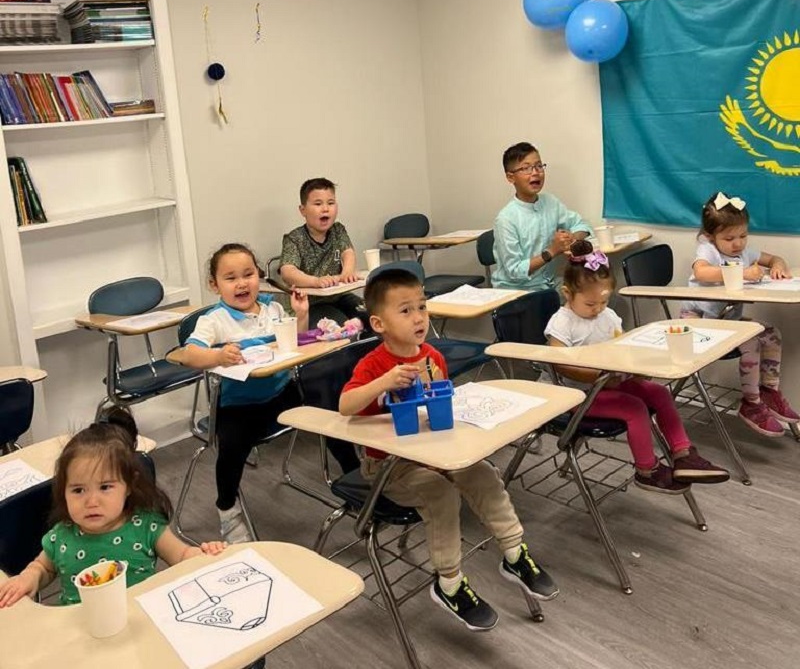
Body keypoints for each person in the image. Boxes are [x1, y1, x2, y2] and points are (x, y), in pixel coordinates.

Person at [340, 266, 558, 632]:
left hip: (435, 452)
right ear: (378, 323)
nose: (418, 318)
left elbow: (439, 405)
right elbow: (346, 405)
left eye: (422, 307)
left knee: (483, 473)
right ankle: (449, 584)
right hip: (391, 467)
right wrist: (384, 382)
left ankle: (514, 552)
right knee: (441, 495)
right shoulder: (374, 363)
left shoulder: (432, 357)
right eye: (405, 310)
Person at [545, 239, 731, 493]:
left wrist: (638, 366)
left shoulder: (607, 316)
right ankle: (647, 470)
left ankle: (683, 454)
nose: (598, 309)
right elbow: (560, 364)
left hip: (611, 383)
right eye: (590, 304)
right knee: (634, 408)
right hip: (579, 396)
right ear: (567, 294)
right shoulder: (562, 322)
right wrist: (599, 373)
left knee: (659, 393)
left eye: (603, 302)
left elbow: (624, 346)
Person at [180, 242, 319, 544]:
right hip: (239, 406)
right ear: (214, 285)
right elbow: (189, 354)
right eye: (231, 278)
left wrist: (301, 315)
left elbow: (294, 345)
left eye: (248, 274)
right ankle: (227, 511)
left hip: (281, 394)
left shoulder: (273, 308)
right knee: (230, 447)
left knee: (325, 404)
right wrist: (217, 356)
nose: (242, 283)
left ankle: (356, 478)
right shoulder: (214, 321)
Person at [0, 423, 226, 607]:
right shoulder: (61, 536)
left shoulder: (146, 527)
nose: (91, 501)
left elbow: (183, 555)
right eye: (78, 490)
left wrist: (206, 554)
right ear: (63, 493)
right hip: (83, 633)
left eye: (105, 487)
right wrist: (27, 577)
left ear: (128, 486)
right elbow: (44, 568)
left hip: (142, 625)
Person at [680, 191, 798, 437]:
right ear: (711, 237)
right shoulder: (708, 251)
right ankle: (751, 403)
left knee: (771, 333)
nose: (738, 243)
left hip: (726, 321)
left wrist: (777, 266)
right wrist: (742, 273)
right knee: (751, 339)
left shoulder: (743, 252)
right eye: (729, 238)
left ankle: (768, 390)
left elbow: (775, 258)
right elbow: (701, 273)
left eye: (743, 235)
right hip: (699, 322)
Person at [492, 142, 592, 291]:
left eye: (539, 166)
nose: (535, 173)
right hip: (518, 290)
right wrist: (552, 251)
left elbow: (581, 225)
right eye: (526, 168)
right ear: (510, 177)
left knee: (596, 295)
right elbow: (514, 272)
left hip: (548, 283)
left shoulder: (550, 202)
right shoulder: (506, 219)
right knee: (583, 305)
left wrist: (572, 238)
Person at [279, 177, 365, 327]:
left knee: (371, 315)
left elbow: (348, 253)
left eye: (330, 203)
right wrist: (316, 281)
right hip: (311, 303)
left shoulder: (338, 230)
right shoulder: (294, 239)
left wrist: (348, 272)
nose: (325, 208)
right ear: (303, 210)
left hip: (339, 296)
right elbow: (287, 271)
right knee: (342, 327)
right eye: (318, 204)